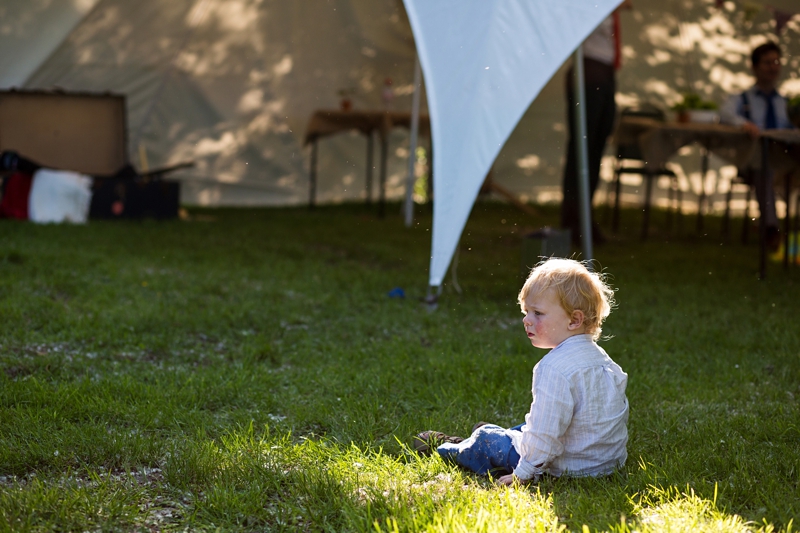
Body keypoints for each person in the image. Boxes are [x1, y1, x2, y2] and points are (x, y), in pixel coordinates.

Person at [413, 258, 629, 484]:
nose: (526, 320)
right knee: (528, 426)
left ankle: (454, 446)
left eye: (537, 313)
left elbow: (545, 436)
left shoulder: (554, 369)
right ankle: (500, 434)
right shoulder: (604, 361)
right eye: (526, 312)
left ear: (574, 320)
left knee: (487, 440)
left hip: (564, 467)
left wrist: (523, 474)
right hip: (605, 464)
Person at [561, 1, 632, 245]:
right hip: (589, 72)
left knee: (593, 151)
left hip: (603, 73)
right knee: (582, 151)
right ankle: (574, 221)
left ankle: (582, 218)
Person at [720, 41, 794, 249]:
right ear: (754, 67)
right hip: (752, 163)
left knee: (770, 168)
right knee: (763, 168)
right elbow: (724, 114)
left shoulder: (786, 103)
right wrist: (744, 124)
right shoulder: (742, 99)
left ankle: (772, 225)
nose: (773, 67)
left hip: (784, 162)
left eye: (776, 62)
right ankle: (771, 227)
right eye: (767, 62)